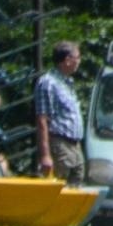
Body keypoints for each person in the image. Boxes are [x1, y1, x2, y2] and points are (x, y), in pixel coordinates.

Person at [35, 41, 85, 185]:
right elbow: (42, 120)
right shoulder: (48, 83)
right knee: (58, 186)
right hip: (59, 144)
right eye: (78, 57)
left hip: (75, 146)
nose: (79, 61)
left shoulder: (67, 82)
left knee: (75, 187)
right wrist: (45, 155)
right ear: (67, 60)